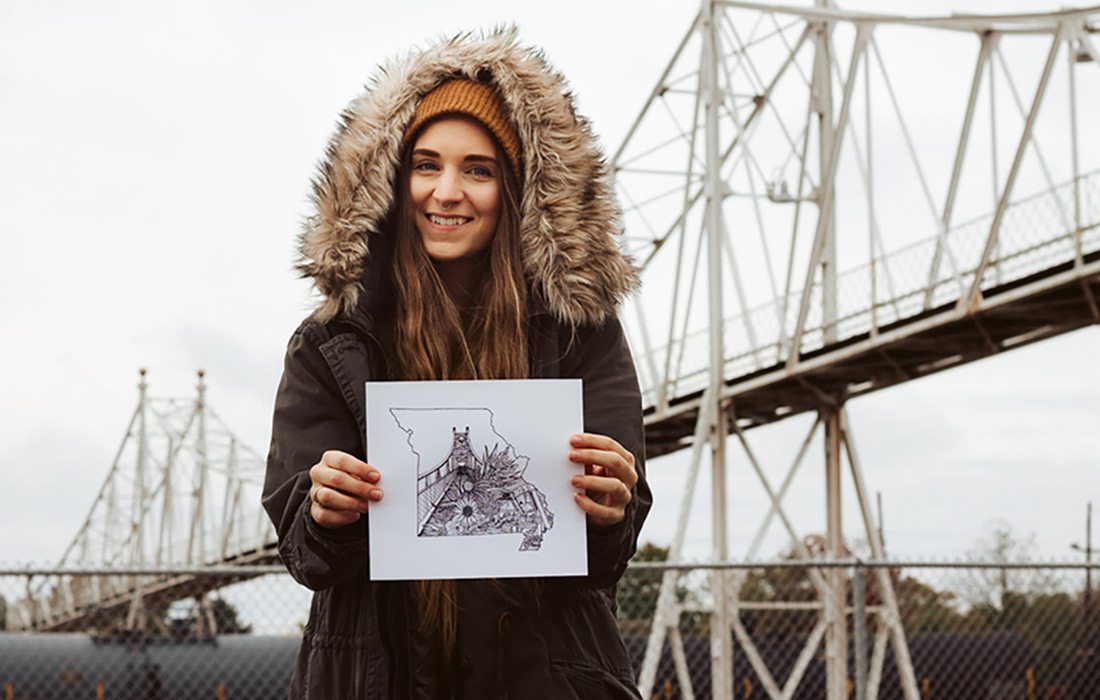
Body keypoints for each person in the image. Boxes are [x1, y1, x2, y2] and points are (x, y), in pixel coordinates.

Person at [261, 28, 652, 699]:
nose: (447, 192)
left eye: (478, 169)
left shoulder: (582, 334)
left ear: (518, 189)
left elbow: (604, 558)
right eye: (425, 164)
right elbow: (304, 555)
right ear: (390, 178)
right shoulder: (329, 343)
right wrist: (324, 510)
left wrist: (616, 506)